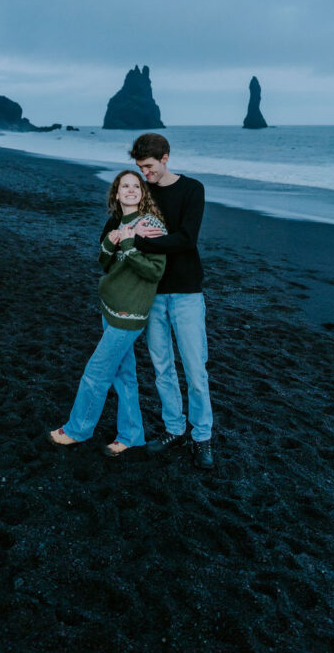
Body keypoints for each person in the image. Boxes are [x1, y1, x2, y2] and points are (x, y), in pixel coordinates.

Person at [48, 171, 166, 457]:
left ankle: (77, 430)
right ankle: (131, 435)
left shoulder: (151, 225)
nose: (130, 190)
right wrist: (111, 243)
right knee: (124, 376)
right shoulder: (118, 222)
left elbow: (155, 272)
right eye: (124, 186)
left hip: (129, 313)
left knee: (96, 374)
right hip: (110, 306)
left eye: (135, 186)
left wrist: (128, 244)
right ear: (116, 193)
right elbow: (105, 263)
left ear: (142, 193)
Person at [129, 132, 214, 470]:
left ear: (165, 157)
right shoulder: (142, 191)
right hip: (151, 292)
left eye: (148, 167)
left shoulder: (193, 189)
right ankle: (174, 429)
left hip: (186, 292)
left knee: (195, 370)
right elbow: (119, 223)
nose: (144, 174)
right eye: (139, 168)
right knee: (162, 368)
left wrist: (143, 243)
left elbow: (186, 239)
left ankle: (202, 436)